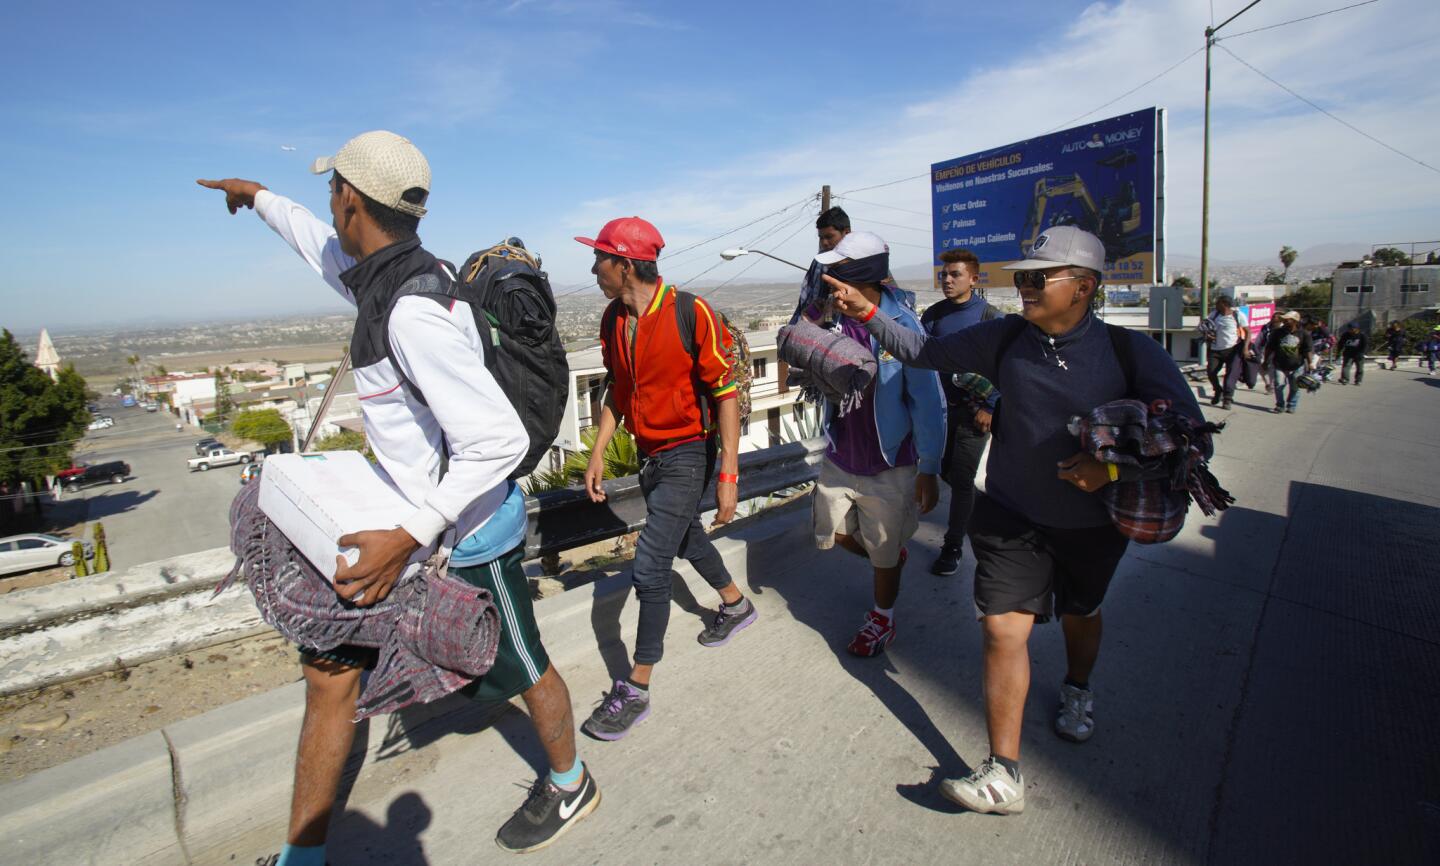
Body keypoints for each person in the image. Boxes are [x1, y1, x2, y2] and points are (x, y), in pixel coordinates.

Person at [198, 131, 597, 860]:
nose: (329, 204)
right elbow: (319, 246)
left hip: (467, 534)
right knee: (330, 673)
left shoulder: (412, 310)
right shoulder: (384, 271)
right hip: (407, 530)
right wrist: (256, 199)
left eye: (332, 192)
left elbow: (498, 443)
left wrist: (411, 535)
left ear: (352, 199)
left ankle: (571, 781)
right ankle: (303, 856)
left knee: (522, 665)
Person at [824, 225, 1204, 815]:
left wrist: (1109, 475)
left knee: (1081, 612)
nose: (1023, 286)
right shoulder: (1005, 338)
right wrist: (869, 311)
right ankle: (1003, 773)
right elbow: (924, 352)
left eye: (1038, 277)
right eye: (1021, 276)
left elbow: (1187, 434)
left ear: (1083, 287)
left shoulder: (1132, 353)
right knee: (1003, 628)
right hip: (1009, 512)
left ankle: (1077, 689)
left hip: (1089, 526)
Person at [578, 217, 756, 740]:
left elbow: (723, 392)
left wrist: (728, 472)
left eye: (599, 259)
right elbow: (618, 388)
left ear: (625, 264)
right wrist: (598, 452)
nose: (593, 269)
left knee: (650, 565)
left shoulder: (689, 311)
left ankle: (635, 687)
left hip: (687, 453)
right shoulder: (613, 319)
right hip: (650, 455)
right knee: (686, 537)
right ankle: (735, 605)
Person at [805, 231, 944, 656]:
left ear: (860, 273)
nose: (828, 276)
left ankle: (882, 617)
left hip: (889, 464)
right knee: (835, 533)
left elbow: (928, 401)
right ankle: (889, 559)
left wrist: (930, 467)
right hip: (841, 455)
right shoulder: (831, 319)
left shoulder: (902, 328)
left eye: (837, 269)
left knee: (883, 554)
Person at [919, 248, 1001, 576]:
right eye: (944, 274)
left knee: (963, 478)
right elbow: (918, 356)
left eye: (955, 275)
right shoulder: (934, 315)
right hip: (939, 413)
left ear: (974, 278)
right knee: (947, 474)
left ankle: (952, 546)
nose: (948, 280)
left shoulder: (989, 317)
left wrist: (992, 405)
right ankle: (981, 511)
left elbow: (1005, 367)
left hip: (973, 414)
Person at [1203, 295, 1248, 409]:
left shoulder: (1237, 315)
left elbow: (1248, 332)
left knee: (1230, 376)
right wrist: (1208, 335)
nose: (1216, 305)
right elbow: (1207, 327)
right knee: (1211, 372)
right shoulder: (1214, 314)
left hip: (1232, 349)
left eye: (1218, 303)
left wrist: (1245, 348)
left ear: (1224, 304)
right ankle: (1218, 390)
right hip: (1215, 349)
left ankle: (1227, 399)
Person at [1263, 311, 1313, 414]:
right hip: (1279, 364)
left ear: (1295, 321)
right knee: (1278, 384)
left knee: (1294, 386)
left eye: (1287, 319)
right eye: (1284, 319)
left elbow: (1307, 350)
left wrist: (1310, 363)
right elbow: (1269, 348)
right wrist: (1265, 361)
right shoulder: (1277, 332)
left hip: (1297, 365)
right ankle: (1280, 405)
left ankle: (1291, 405)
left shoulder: (1304, 334)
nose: (1285, 321)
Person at [1336, 321, 1368, 386]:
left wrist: (1362, 353)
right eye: (1349, 328)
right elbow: (1340, 344)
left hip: (1358, 353)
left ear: (1356, 328)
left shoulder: (1362, 335)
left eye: (1352, 328)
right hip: (1348, 353)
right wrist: (1338, 352)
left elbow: (1365, 345)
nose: (1350, 330)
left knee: (1359, 368)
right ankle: (1345, 379)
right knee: (1346, 366)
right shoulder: (1345, 335)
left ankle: (1358, 380)